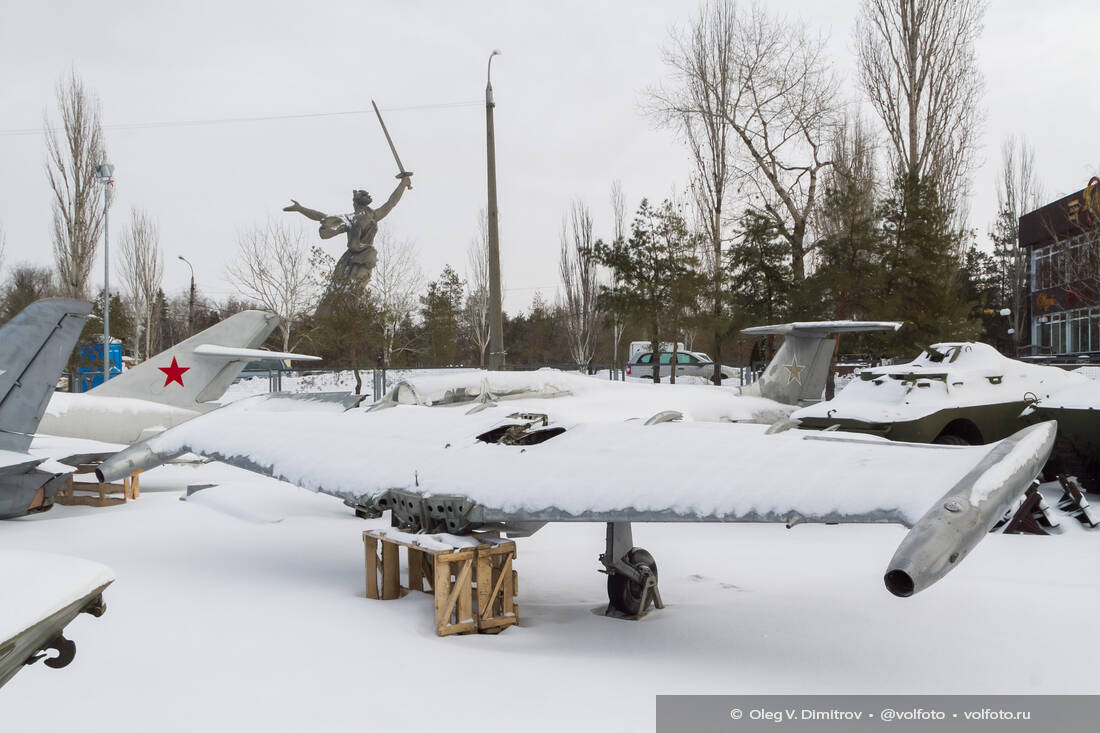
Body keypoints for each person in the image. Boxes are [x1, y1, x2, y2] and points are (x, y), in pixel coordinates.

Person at [283, 173, 412, 282]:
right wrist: (300, 209)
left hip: (366, 256)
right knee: (349, 290)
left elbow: (391, 202)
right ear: (356, 200)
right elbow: (323, 218)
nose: (368, 195)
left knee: (358, 290)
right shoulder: (351, 218)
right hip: (352, 260)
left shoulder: (373, 215)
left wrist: (403, 184)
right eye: (364, 194)